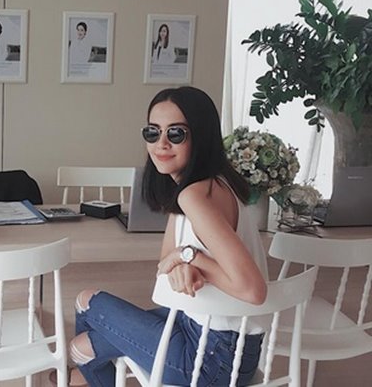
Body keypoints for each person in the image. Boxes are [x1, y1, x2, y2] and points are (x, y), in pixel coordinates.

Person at [57, 86, 268, 387]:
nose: (161, 143)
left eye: (176, 134)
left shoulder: (196, 196)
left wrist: (191, 258)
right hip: (217, 341)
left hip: (211, 359)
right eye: (152, 132)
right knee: (83, 346)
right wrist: (182, 263)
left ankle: (81, 377)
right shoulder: (212, 185)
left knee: (86, 304)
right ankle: (82, 376)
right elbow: (164, 265)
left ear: (200, 136)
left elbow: (253, 290)